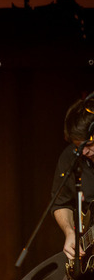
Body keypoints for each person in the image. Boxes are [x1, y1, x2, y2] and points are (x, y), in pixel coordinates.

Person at [51, 96, 94, 264]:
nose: (84, 152)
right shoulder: (69, 158)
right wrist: (70, 232)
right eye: (79, 147)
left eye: (88, 145)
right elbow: (60, 203)